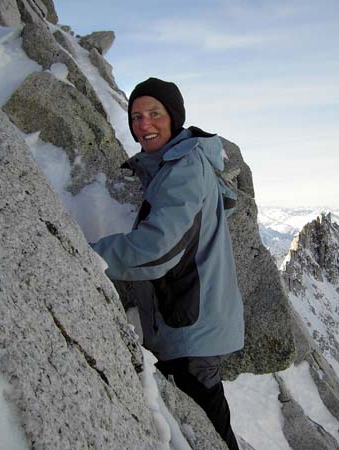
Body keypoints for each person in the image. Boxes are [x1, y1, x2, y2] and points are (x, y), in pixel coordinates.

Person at [90, 77, 244, 450]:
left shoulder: (185, 167)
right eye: (137, 116)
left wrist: (89, 256)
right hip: (190, 324)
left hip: (191, 328)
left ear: (174, 118)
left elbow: (158, 248)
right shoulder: (170, 166)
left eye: (155, 114)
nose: (144, 125)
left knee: (209, 434)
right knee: (207, 430)